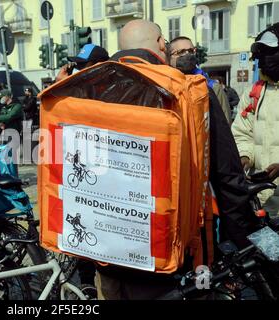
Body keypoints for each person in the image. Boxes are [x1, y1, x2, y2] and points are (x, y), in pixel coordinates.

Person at [94, 19, 256, 300]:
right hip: (178, 258)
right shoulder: (190, 90)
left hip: (108, 256)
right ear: (160, 45)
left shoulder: (93, 89)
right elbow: (227, 173)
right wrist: (243, 241)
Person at [232, 23, 279, 218]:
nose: (265, 60)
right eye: (262, 53)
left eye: (271, 52)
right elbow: (242, 133)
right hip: (261, 199)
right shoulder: (254, 93)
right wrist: (244, 157)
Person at [168, 36, 232, 124]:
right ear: (169, 58)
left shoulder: (212, 87)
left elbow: (225, 125)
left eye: (191, 51)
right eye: (181, 52)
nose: (187, 54)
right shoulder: (165, 86)